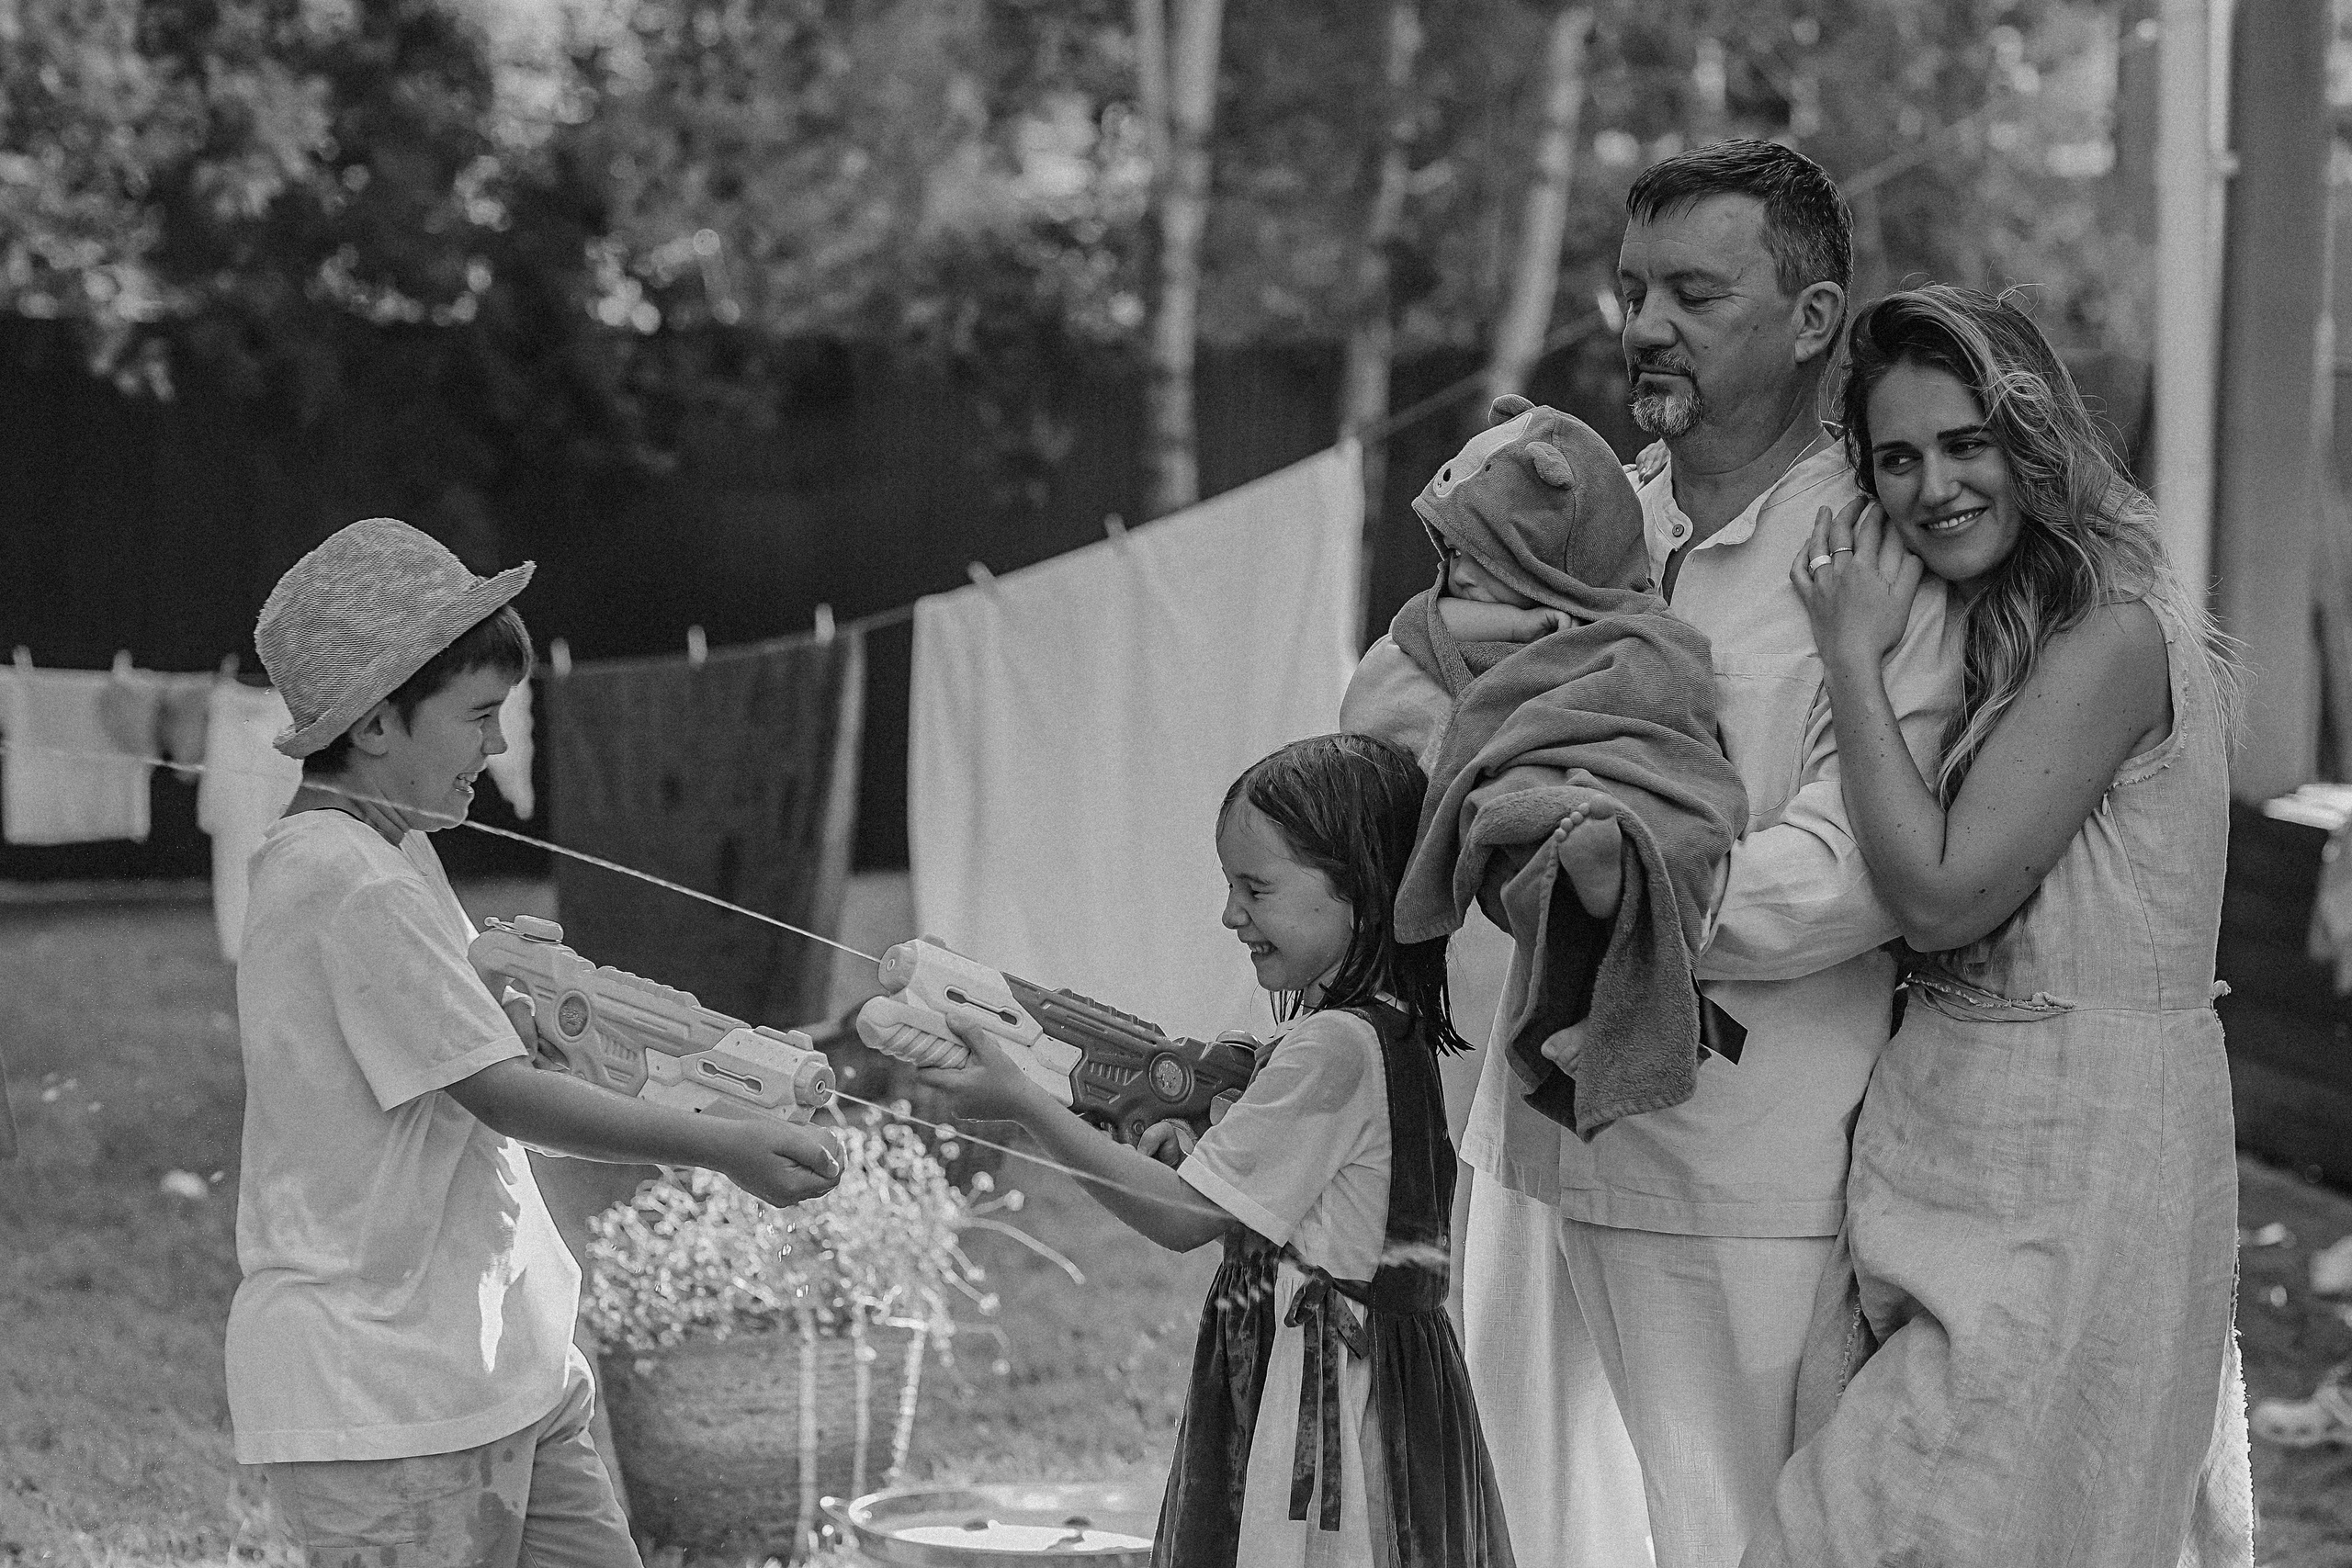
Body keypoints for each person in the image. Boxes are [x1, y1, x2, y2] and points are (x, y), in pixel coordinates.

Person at [1454, 138, 1963, 1567]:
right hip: (1539, 1132)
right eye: (1632, 291)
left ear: (1813, 318)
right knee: (1529, 1529)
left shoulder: (1880, 552)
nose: (1646, 325)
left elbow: (1863, 860)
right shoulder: (1582, 515)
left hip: (1747, 1164)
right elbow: (1454, 727)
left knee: (1743, 1539)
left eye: (1694, 292)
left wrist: (1633, 883)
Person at [1743, 286, 2252, 1567]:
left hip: (2078, 1152)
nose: (1934, 486)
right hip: (1954, 1138)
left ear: (2029, 434)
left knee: (1888, 1529)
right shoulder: (2000, 623)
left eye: (1965, 443)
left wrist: (1850, 655)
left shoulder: (2111, 632)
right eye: (1897, 458)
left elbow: (1942, 893)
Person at [226, 518, 842, 1568]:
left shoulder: (395, 856)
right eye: (479, 717)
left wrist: (685, 1072)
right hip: (386, 1406)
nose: (499, 748)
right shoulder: (348, 881)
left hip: (498, 1372)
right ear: (375, 725)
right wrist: (727, 1148)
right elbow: (503, 1095)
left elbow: (487, 1072)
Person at [921, 732, 1516, 1568]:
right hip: (1381, 1385)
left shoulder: (1331, 1047)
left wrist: (1025, 1103)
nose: (1231, 913)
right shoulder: (1380, 1028)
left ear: (1358, 891)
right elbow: (1302, 1199)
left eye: (1256, 888)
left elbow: (1181, 1217)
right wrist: (1206, 1151)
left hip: (1328, 1410)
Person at [1342, 400, 1747, 1140]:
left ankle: (1619, 985)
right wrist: (1529, 624)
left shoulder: (1640, 630)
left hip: (1625, 773)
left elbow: (1675, 714)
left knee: (1670, 831)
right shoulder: (1457, 622)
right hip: (1550, 789)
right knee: (1519, 815)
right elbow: (1421, 625)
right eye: (1451, 549)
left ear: (1547, 557)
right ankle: (1595, 925)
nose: (1456, 572)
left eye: (1482, 554)